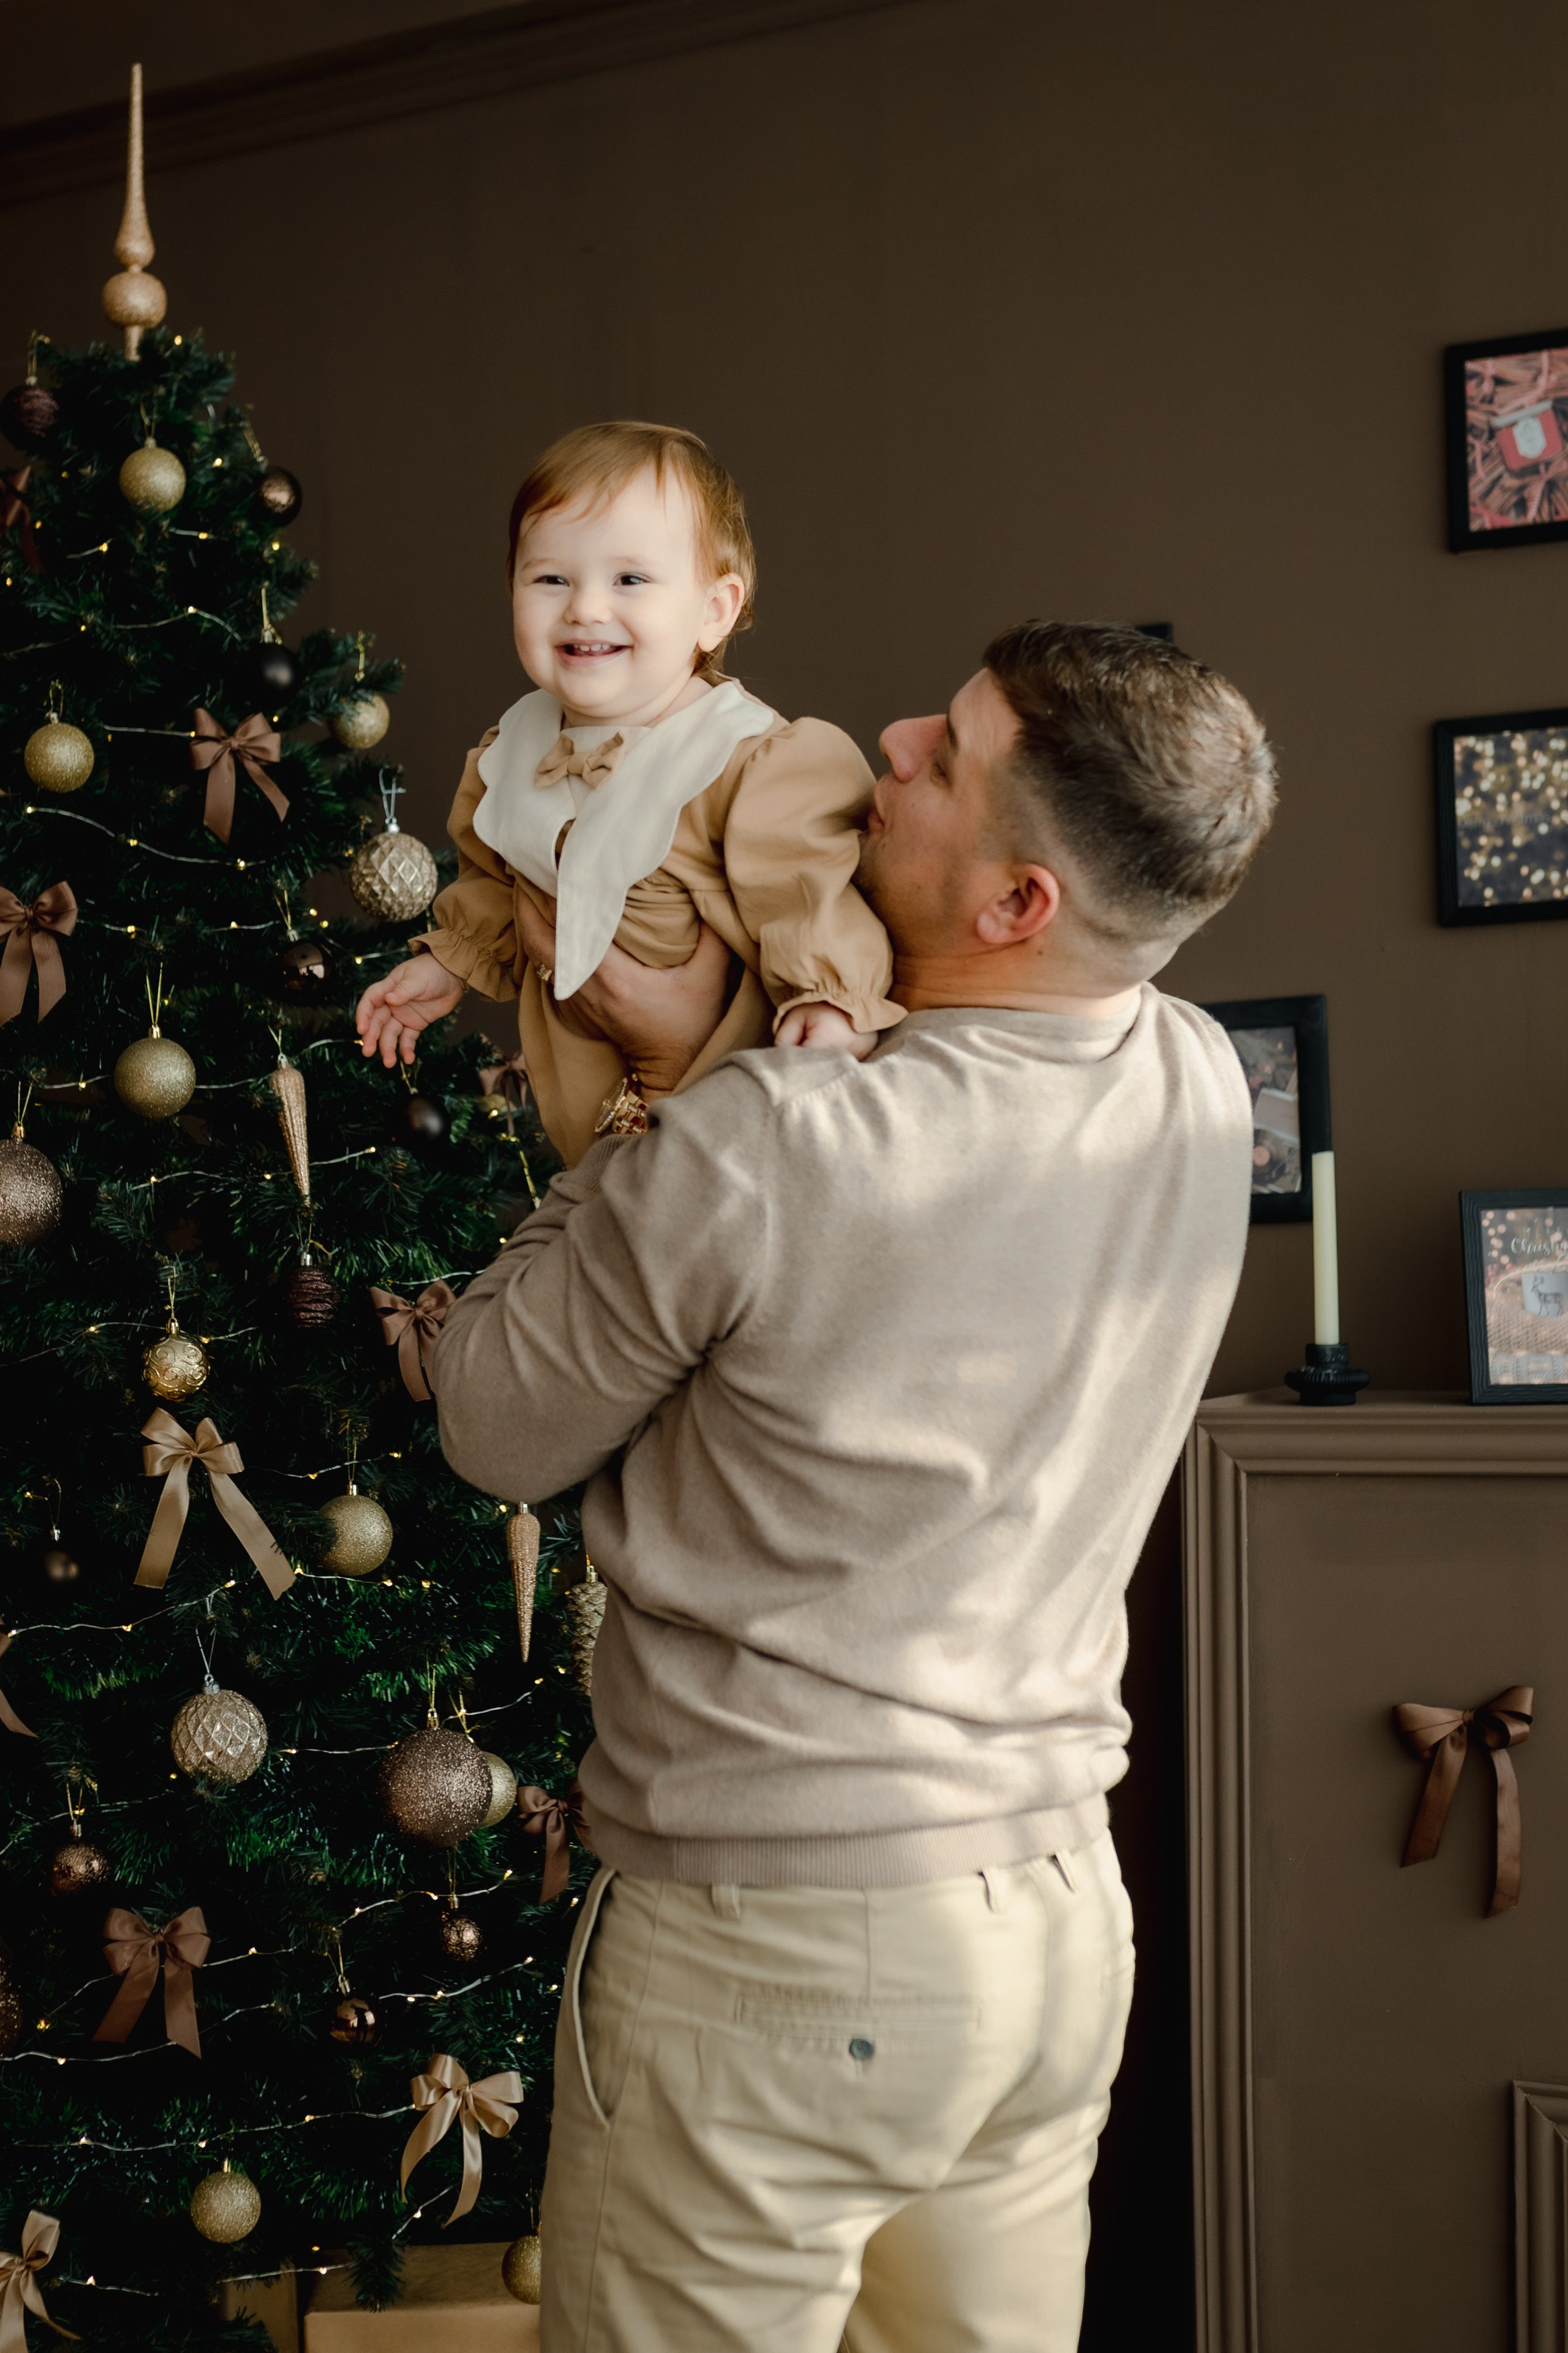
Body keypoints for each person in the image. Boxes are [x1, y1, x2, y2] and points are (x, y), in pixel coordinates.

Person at [432, 621, 1276, 2353]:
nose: (884, 743)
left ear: (1018, 903)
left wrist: (656, 1088)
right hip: (1051, 1932)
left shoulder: (767, 1144)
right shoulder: (1197, 1081)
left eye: (942, 761)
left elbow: (492, 1423)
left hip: (780, 1941)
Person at [353, 420, 902, 1163]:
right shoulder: (511, 751)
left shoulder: (746, 759)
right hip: (591, 1107)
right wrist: (452, 961)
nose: (584, 607)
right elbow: (496, 877)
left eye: (630, 579)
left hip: (732, 1110)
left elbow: (810, 892)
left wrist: (829, 1000)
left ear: (715, 610)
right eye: (550, 578)